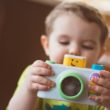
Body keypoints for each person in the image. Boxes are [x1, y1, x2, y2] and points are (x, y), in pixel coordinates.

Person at [7, 1, 110, 110]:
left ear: (100, 54)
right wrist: (28, 90)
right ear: (47, 45)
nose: (74, 51)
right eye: (64, 42)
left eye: (87, 46)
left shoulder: (98, 87)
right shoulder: (37, 76)